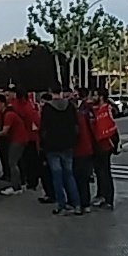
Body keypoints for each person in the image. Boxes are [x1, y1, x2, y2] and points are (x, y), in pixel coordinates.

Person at [40, 87, 81, 216]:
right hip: (68, 145)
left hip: (52, 146)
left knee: (57, 177)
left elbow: (43, 129)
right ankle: (76, 204)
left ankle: (61, 205)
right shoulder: (70, 106)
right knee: (69, 175)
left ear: (51, 93)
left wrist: (43, 144)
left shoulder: (47, 108)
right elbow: (76, 126)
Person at [0, 94, 30, 196]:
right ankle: (19, 183)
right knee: (15, 162)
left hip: (18, 140)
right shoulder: (8, 113)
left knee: (12, 163)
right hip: (18, 139)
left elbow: (4, 132)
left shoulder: (8, 115)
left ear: (2, 104)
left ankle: (16, 186)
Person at [91, 87, 119, 210]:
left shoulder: (106, 109)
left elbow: (105, 126)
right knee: (100, 171)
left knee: (105, 172)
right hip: (99, 145)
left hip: (105, 144)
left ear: (101, 97)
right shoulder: (99, 109)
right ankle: (102, 195)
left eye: (95, 96)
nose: (93, 98)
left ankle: (108, 199)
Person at [73, 88, 96, 213]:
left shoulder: (79, 115)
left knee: (78, 178)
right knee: (83, 179)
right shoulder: (85, 113)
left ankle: (80, 203)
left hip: (79, 150)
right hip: (87, 148)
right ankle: (85, 203)